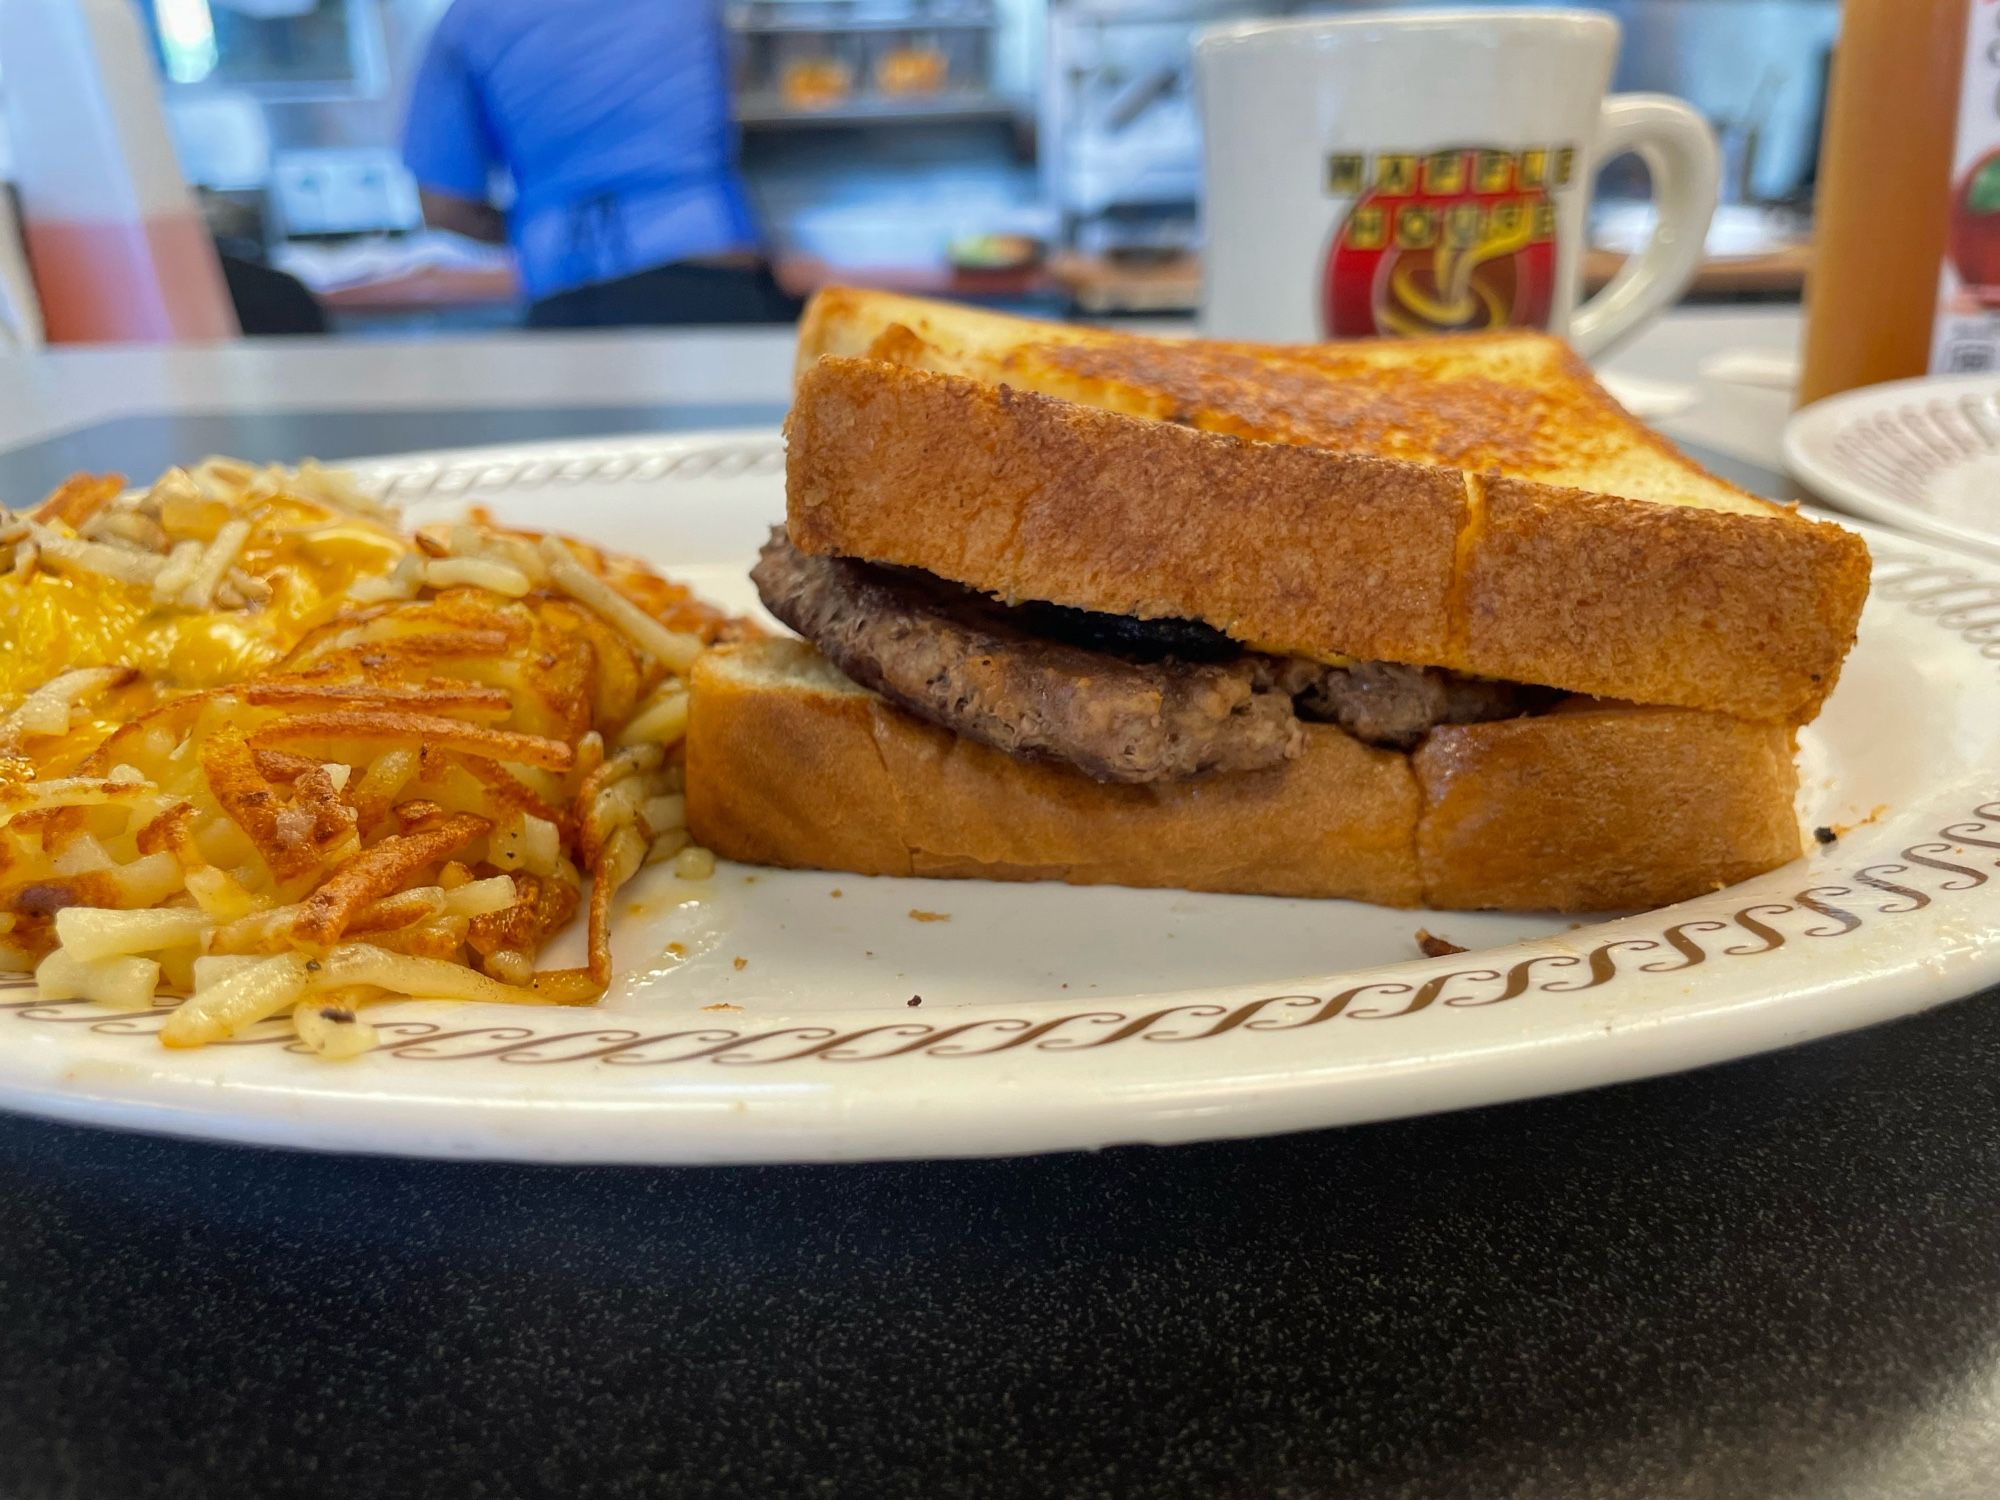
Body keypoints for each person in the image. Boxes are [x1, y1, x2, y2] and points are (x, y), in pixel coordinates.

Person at [401, 0, 798, 327]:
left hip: (569, 292)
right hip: (718, 273)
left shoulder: (469, 20)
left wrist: (538, 224)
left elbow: (444, 207)